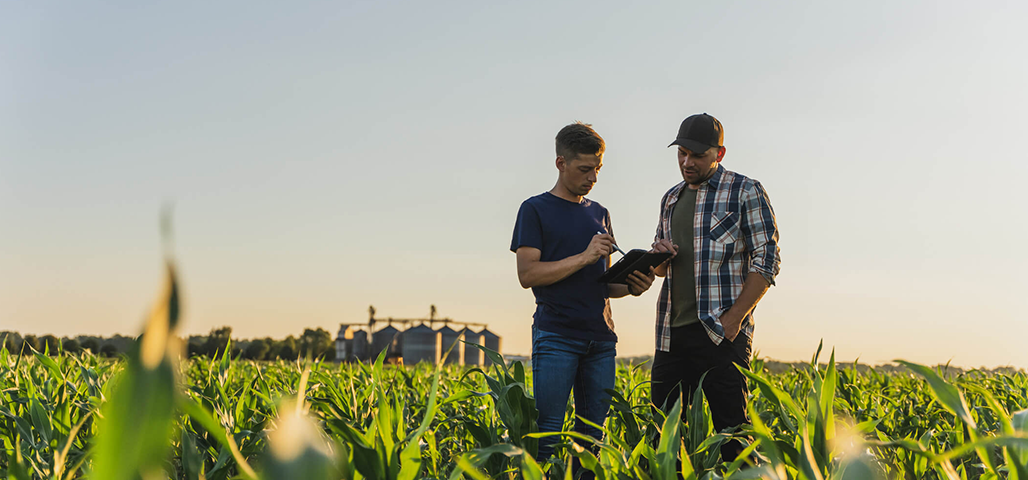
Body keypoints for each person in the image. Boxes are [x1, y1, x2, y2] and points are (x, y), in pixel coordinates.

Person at [511, 122, 656, 462]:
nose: (592, 177)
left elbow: (604, 283)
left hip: (601, 340)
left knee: (592, 437)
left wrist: (633, 286)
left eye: (598, 169)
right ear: (561, 163)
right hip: (556, 336)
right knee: (548, 434)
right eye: (585, 169)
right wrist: (586, 256)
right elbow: (528, 273)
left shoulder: (600, 213)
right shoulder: (534, 209)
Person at [649, 113, 781, 462]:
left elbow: (766, 259)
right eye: (681, 154)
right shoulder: (670, 199)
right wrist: (657, 256)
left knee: (733, 438)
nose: (686, 162)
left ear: (718, 154)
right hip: (671, 335)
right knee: (664, 440)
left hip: (721, 334)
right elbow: (661, 269)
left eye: (696, 155)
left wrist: (735, 318)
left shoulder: (745, 190)